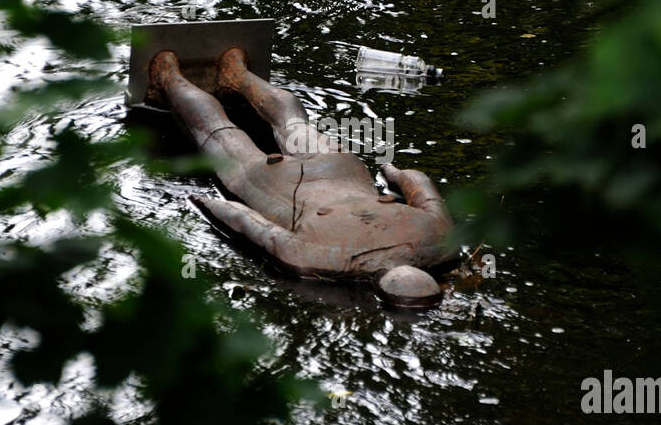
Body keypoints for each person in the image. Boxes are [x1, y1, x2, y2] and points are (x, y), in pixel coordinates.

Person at [146, 47, 455, 307]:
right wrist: (208, 203)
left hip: (341, 167)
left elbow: (418, 181)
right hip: (277, 184)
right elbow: (252, 225)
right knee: (218, 132)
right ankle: (168, 76)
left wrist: (392, 171)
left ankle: (236, 72)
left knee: (292, 122)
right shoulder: (317, 258)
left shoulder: (441, 239)